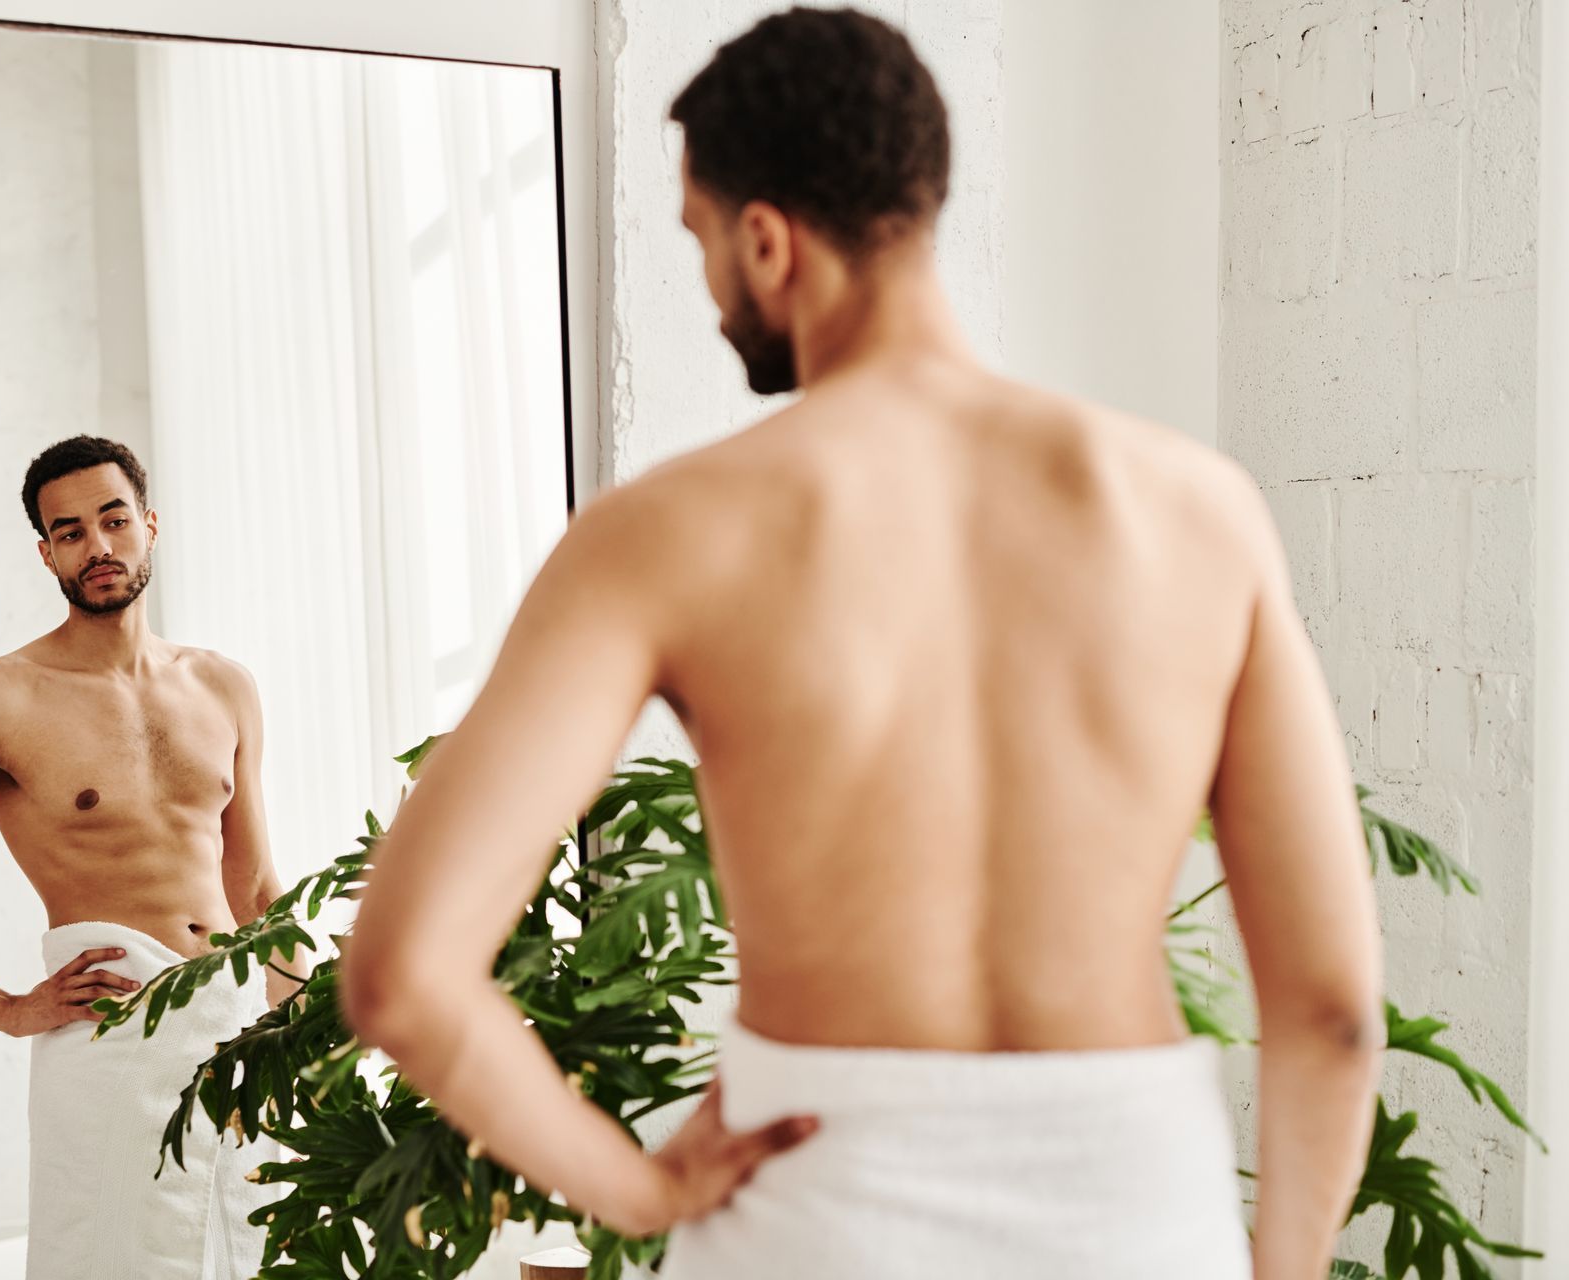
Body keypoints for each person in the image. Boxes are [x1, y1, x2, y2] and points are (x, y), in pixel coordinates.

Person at [340, 8, 1383, 1278]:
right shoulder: (1197, 511)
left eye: (702, 243)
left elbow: (402, 973)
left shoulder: (665, 534)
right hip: (1133, 1205)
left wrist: (639, 1185)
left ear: (768, 239)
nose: (714, 290)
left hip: (818, 1209)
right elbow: (1329, 1009)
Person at [0, 435, 295, 1280]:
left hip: (235, 1026)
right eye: (70, 532)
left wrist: (305, 1030)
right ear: (47, 554)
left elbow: (253, 883)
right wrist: (4, 1008)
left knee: (259, 1259)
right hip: (109, 1036)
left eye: (114, 520)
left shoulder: (224, 685)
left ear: (149, 525)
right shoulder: (1, 698)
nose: (98, 545)